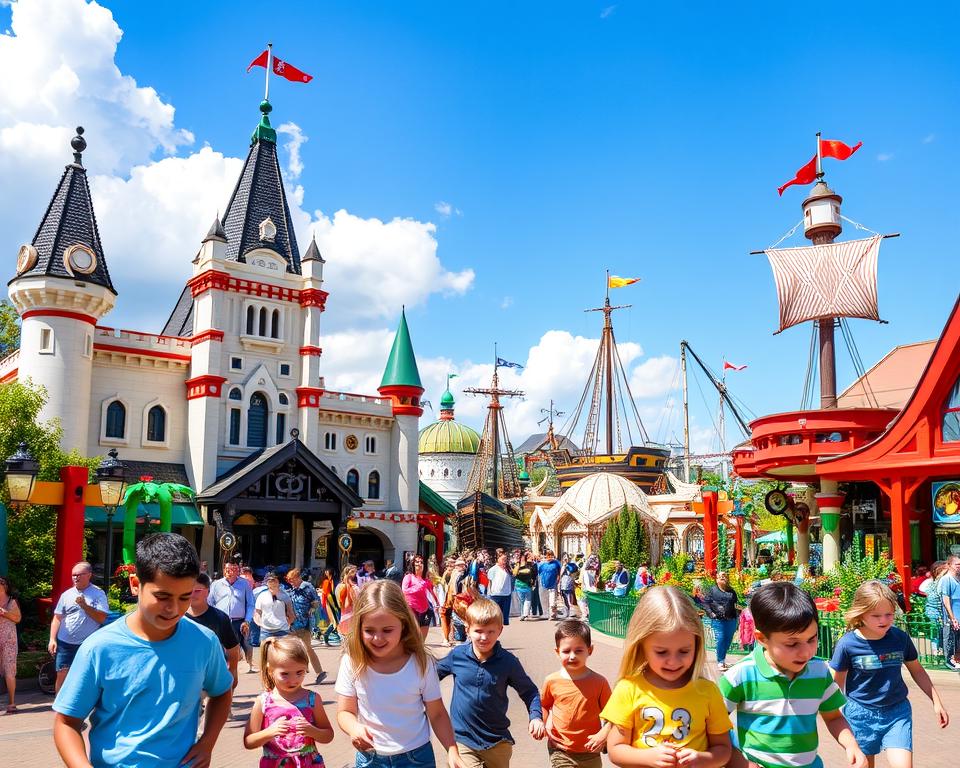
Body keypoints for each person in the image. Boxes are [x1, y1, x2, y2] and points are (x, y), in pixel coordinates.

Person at [53, 533, 233, 768]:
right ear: (136, 585)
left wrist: (207, 743)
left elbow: (221, 691)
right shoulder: (100, 648)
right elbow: (66, 723)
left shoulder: (204, 642)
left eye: (185, 597)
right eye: (162, 596)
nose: (174, 608)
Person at [720, 582, 866, 768]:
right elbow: (714, 725)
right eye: (792, 644)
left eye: (812, 639)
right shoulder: (740, 675)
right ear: (762, 638)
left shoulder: (819, 672)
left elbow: (834, 717)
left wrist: (851, 745)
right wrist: (739, 761)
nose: (805, 652)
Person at [335, 580, 465, 767]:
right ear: (359, 628)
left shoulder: (421, 662)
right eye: (369, 630)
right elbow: (345, 712)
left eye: (387, 630)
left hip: (416, 758)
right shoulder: (353, 661)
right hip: (371, 758)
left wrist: (452, 749)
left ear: (403, 624)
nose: (378, 638)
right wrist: (353, 728)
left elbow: (436, 714)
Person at [601, 586, 731, 768]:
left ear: (697, 644)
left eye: (684, 651)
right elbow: (615, 749)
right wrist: (647, 757)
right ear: (641, 646)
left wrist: (702, 759)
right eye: (661, 652)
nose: (673, 661)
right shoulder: (628, 689)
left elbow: (723, 749)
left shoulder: (708, 691)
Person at [830, 580, 949, 768]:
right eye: (876, 615)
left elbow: (917, 670)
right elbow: (835, 684)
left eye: (889, 614)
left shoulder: (900, 638)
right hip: (860, 713)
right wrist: (835, 718)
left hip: (897, 712)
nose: (883, 620)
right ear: (861, 613)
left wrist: (936, 702)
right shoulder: (847, 644)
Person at [437, 596, 546, 767]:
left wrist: (536, 717)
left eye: (490, 631)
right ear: (467, 629)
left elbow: (530, 692)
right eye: (479, 631)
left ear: (500, 630)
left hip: (497, 741)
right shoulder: (457, 656)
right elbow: (430, 676)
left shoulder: (508, 662)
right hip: (463, 739)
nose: (484, 637)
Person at [244, 635, 335, 767]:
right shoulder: (263, 702)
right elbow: (249, 741)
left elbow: (328, 735)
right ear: (270, 671)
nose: (293, 680)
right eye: (285, 674)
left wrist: (311, 731)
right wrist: (270, 732)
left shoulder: (312, 699)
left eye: (299, 672)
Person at [541, 620, 611, 768]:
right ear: (557, 652)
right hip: (560, 749)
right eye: (566, 651)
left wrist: (603, 735)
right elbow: (544, 706)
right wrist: (544, 724)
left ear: (590, 650)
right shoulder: (551, 681)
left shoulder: (599, 682)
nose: (572, 656)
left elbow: (613, 715)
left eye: (579, 650)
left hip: (590, 750)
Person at [47, 560, 109, 693]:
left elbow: (101, 618)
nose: (76, 577)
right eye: (73, 575)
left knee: (86, 676)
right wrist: (52, 639)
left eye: (79, 574)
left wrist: (85, 606)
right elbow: (57, 618)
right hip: (65, 642)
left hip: (87, 643)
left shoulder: (98, 594)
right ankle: (59, 708)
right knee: (62, 674)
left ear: (89, 575)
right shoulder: (66, 594)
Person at [187, 573, 241, 690]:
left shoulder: (219, 618)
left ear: (208, 591)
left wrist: (233, 671)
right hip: (185, 677)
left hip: (213, 676)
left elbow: (233, 648)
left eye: (197, 591)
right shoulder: (176, 618)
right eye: (188, 590)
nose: (192, 594)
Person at [209, 560, 256, 673]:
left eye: (233, 570)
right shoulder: (216, 584)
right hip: (220, 621)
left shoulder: (244, 584)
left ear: (237, 571)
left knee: (239, 647)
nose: (229, 572)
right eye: (227, 569)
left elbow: (250, 604)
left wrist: (247, 620)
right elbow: (210, 602)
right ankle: (222, 670)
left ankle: (239, 667)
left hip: (238, 622)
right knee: (220, 648)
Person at [285, 568, 327, 684]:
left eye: (292, 579)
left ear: (298, 577)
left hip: (304, 624)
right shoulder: (292, 590)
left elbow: (316, 602)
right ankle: (300, 670)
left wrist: (311, 610)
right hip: (292, 624)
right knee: (293, 650)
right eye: (288, 580)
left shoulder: (307, 587)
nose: (290, 582)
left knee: (307, 648)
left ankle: (319, 672)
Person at [703, 570, 740, 672]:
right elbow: (705, 603)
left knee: (728, 641)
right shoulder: (712, 590)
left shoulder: (732, 591)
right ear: (717, 579)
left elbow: (735, 605)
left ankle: (722, 658)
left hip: (731, 619)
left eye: (725, 576)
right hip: (718, 620)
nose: (723, 577)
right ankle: (720, 661)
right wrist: (711, 613)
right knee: (720, 639)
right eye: (721, 576)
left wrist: (738, 616)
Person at [402, 553, 438, 640]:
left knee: (422, 639)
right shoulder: (408, 577)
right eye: (417, 561)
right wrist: (418, 587)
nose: (419, 563)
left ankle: (420, 652)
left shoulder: (426, 580)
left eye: (421, 562)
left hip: (425, 610)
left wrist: (437, 604)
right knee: (413, 634)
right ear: (413, 564)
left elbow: (432, 592)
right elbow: (404, 591)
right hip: (411, 610)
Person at [0, 575, 22, 713]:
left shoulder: (12, 601)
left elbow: (18, 618)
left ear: (5, 586)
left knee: (9, 670)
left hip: (9, 640)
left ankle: (12, 703)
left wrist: (5, 613)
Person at [256, 573, 295, 640]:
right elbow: (257, 612)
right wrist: (260, 623)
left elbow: (290, 612)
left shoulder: (285, 596)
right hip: (266, 631)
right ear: (267, 584)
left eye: (274, 582)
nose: (272, 584)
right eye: (270, 582)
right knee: (265, 650)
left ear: (278, 584)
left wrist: (286, 624)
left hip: (282, 631)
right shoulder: (262, 596)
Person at [938, 554, 960, 669]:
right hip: (952, 617)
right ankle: (949, 661)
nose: (959, 567)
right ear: (949, 565)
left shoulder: (958, 578)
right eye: (957, 565)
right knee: (950, 639)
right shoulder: (946, 580)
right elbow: (946, 602)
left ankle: (956, 659)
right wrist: (952, 618)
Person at [922, 561, 948, 653]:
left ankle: (938, 652)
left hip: (932, 611)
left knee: (937, 634)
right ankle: (937, 653)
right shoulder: (939, 583)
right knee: (937, 634)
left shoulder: (932, 583)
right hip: (935, 612)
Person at [486, 553, 514, 626]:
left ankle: (500, 627)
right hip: (496, 594)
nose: (504, 561)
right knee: (495, 615)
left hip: (506, 594)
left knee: (504, 616)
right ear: (498, 559)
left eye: (506, 559)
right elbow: (490, 582)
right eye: (503, 559)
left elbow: (512, 578)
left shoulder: (508, 569)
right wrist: (489, 593)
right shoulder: (493, 569)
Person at [318, 568, 340, 646]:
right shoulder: (328, 581)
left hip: (330, 601)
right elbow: (326, 592)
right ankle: (325, 636)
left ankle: (324, 636)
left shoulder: (330, 581)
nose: (325, 572)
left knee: (333, 621)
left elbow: (326, 592)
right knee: (334, 621)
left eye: (327, 571)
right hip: (330, 602)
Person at [538, 550, 562, 620]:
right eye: (548, 555)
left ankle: (552, 615)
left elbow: (559, 573)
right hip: (544, 584)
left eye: (551, 555)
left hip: (553, 584)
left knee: (552, 601)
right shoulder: (542, 564)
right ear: (546, 556)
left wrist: (558, 580)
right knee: (545, 600)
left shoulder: (556, 563)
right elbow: (539, 573)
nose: (550, 557)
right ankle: (546, 613)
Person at [514, 552, 537, 621]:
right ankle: (523, 614)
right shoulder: (517, 565)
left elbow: (534, 574)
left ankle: (525, 614)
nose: (523, 558)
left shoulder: (530, 565)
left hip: (528, 585)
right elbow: (514, 574)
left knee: (527, 600)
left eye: (525, 557)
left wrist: (533, 583)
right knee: (522, 601)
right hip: (519, 585)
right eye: (522, 557)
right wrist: (518, 565)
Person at [337, 565, 360, 636]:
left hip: (348, 612)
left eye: (355, 572)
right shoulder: (347, 587)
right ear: (347, 573)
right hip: (348, 612)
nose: (354, 574)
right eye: (352, 572)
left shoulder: (352, 586)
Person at [577, 556, 600, 620]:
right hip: (589, 589)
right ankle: (587, 615)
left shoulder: (587, 571)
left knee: (582, 602)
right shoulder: (593, 571)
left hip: (586, 590)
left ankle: (585, 616)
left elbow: (587, 583)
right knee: (586, 602)